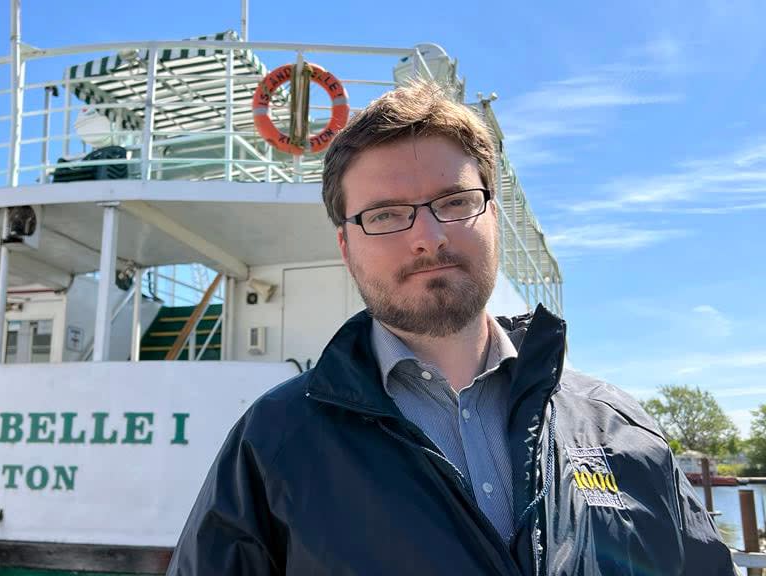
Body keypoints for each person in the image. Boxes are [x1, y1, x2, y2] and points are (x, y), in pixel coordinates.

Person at [166, 81, 735, 575]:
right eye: (385, 215)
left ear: (492, 214)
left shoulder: (619, 429)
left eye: (454, 201)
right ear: (346, 244)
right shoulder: (271, 444)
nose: (427, 237)